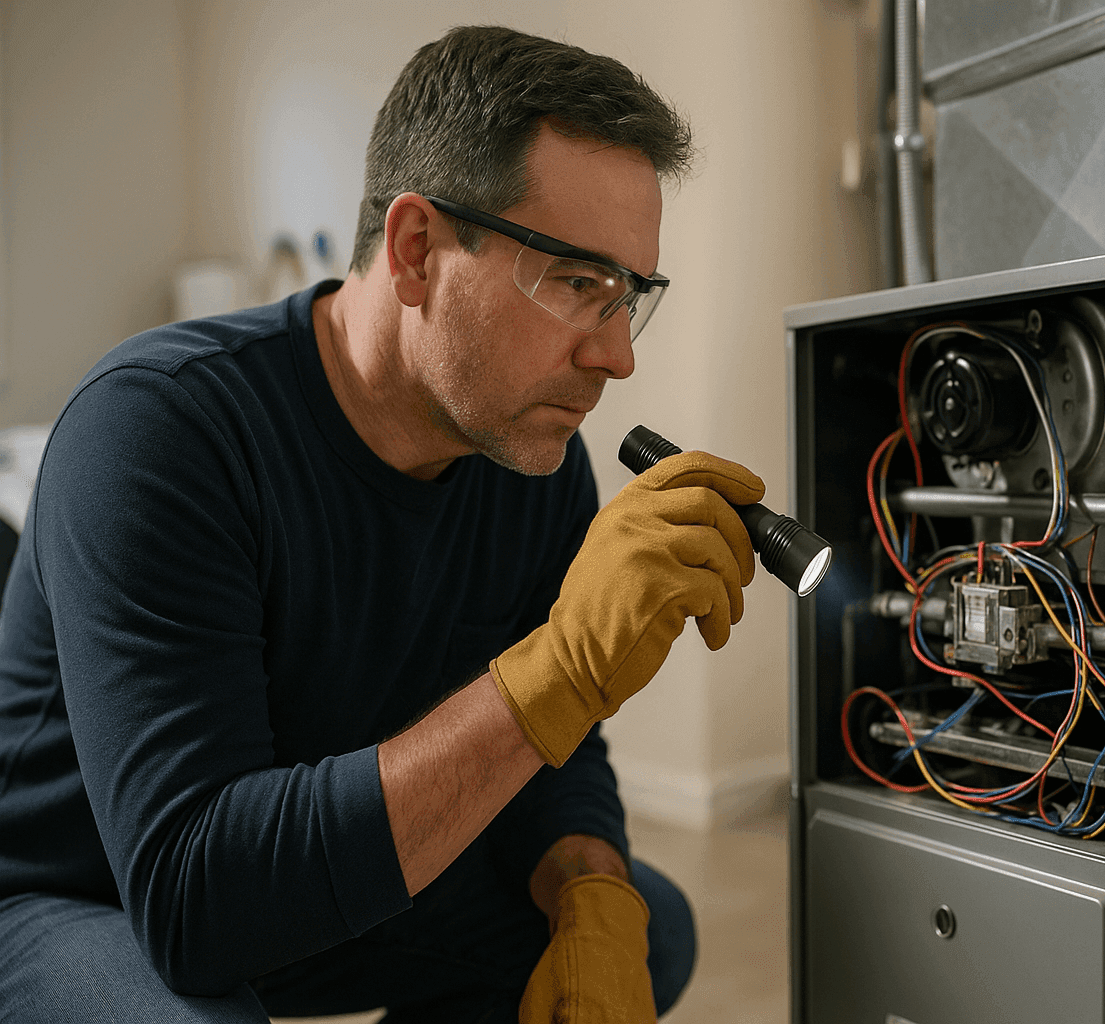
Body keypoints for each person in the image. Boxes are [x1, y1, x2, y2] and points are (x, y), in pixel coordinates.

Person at [0, 25, 762, 1023]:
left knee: (641, 923)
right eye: (580, 284)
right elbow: (195, 904)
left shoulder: (528, 460)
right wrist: (559, 671)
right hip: (82, 892)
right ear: (415, 251)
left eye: (632, 296)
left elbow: (552, 760)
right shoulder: (159, 429)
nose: (618, 356)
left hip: (305, 870)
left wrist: (592, 889)